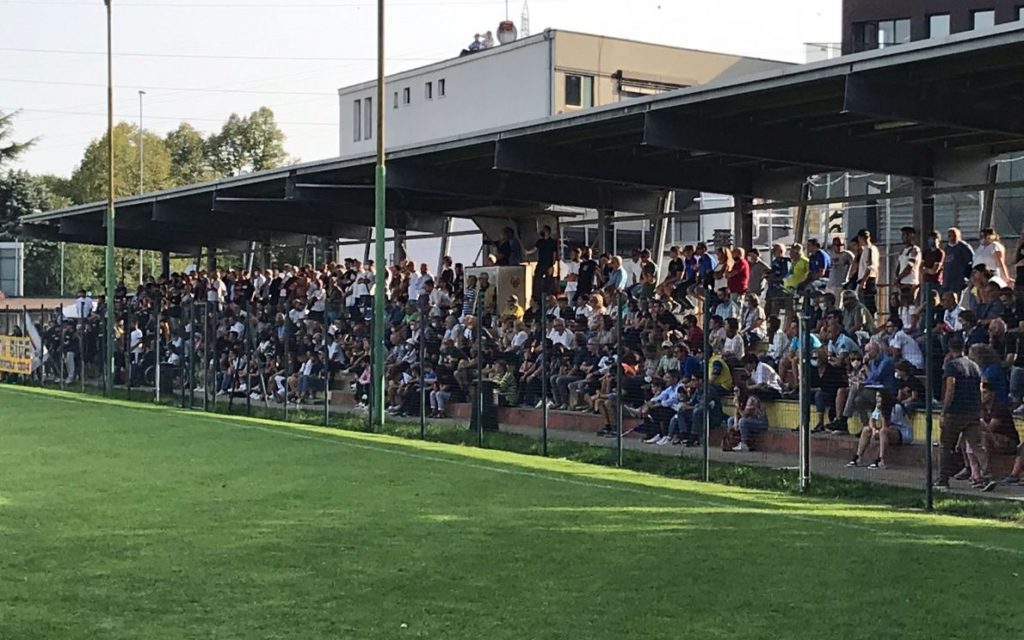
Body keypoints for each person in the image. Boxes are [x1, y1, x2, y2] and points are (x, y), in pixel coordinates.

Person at [935, 335, 996, 492]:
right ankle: (988, 475)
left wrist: (944, 411)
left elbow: (950, 388)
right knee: (977, 446)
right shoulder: (975, 366)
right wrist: (979, 408)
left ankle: (943, 480)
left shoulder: (952, 366)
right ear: (964, 348)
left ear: (949, 349)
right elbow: (980, 388)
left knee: (946, 446)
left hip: (955, 412)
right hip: (972, 411)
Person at [847, 392, 904, 469]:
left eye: (879, 396)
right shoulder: (878, 407)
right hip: (886, 429)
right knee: (866, 429)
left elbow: (887, 425)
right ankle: (858, 457)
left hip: (901, 433)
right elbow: (872, 420)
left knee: (883, 431)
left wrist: (881, 413)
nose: (877, 398)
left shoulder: (896, 407)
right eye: (876, 396)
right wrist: (873, 429)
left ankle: (881, 460)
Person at [943, 227, 974, 294]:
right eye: (949, 236)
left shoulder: (963, 247)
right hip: (947, 280)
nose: (951, 238)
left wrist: (967, 275)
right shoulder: (946, 248)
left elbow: (972, 260)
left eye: (954, 235)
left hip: (959, 279)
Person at [855, 229, 880, 315]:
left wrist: (864, 281)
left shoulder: (870, 249)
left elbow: (870, 266)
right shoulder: (865, 249)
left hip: (868, 280)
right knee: (863, 305)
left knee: (868, 305)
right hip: (865, 279)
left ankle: (871, 323)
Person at [894, 227, 922, 297]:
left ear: (911, 236)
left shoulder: (914, 249)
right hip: (902, 282)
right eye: (902, 235)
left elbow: (909, 267)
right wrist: (896, 277)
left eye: (905, 235)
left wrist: (899, 278)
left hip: (910, 282)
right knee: (903, 304)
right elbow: (899, 265)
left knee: (910, 303)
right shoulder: (903, 251)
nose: (903, 237)